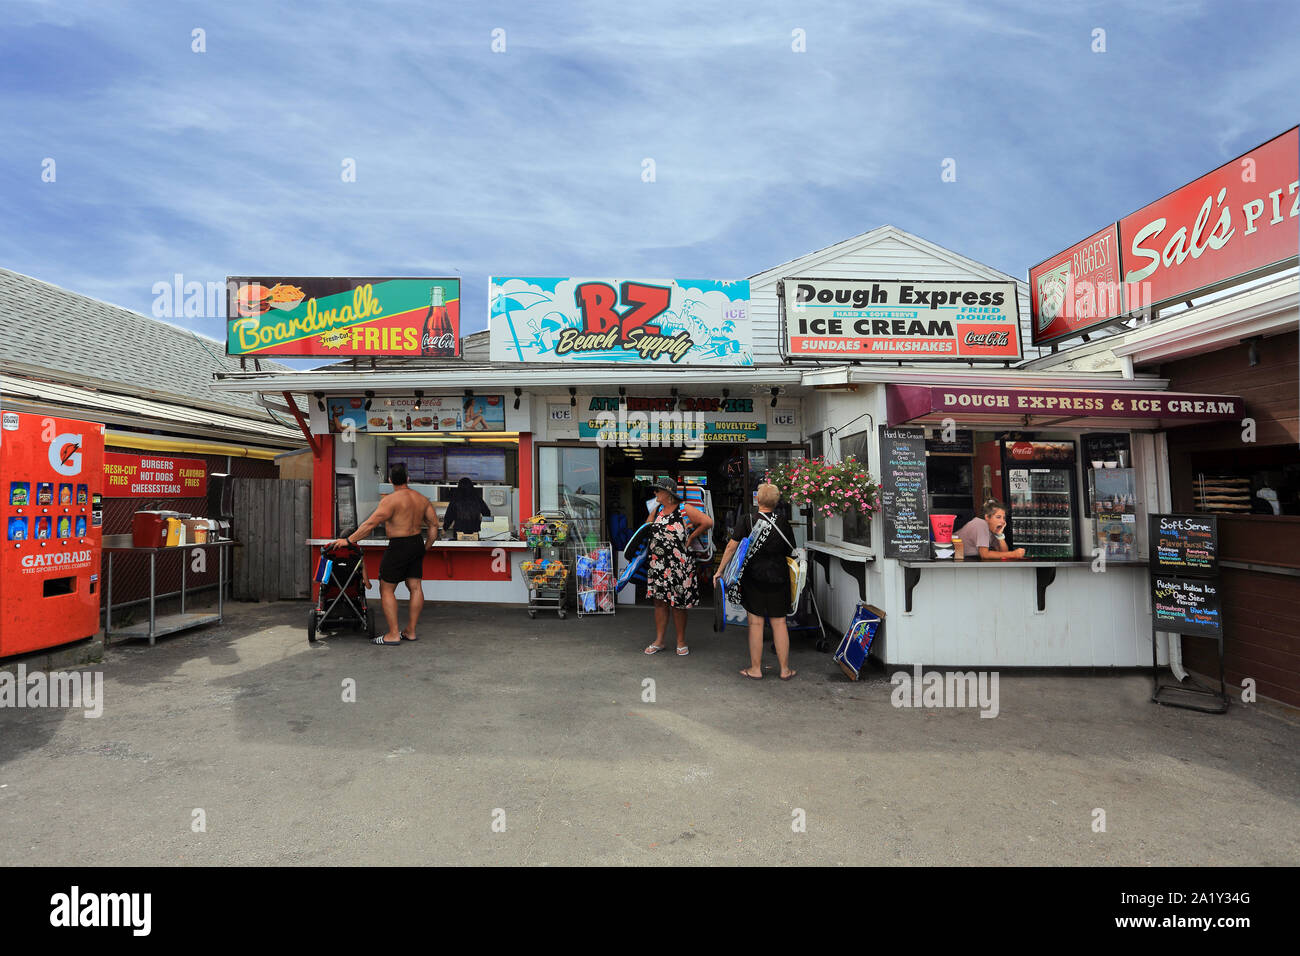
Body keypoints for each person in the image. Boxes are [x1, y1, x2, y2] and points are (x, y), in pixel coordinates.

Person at [332, 462, 439, 645]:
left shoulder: (390, 500)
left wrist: (348, 540)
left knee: (386, 588)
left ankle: (393, 634)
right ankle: (410, 631)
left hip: (398, 545)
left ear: (390, 480)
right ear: (408, 479)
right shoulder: (422, 499)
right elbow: (434, 526)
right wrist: (425, 547)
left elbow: (370, 524)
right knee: (415, 586)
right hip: (416, 543)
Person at [714, 483, 797, 680]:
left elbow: (731, 547)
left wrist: (719, 571)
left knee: (756, 623)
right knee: (779, 623)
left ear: (757, 500)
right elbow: (791, 550)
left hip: (753, 577)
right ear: (776, 502)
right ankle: (785, 670)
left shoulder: (747, 520)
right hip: (779, 577)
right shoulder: (783, 522)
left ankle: (755, 669)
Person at [643, 476, 713, 657]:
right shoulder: (657, 510)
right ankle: (659, 640)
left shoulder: (684, 509)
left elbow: (707, 522)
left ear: (668, 493)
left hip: (679, 565)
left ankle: (681, 641)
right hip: (658, 564)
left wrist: (692, 536)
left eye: (658, 490)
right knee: (659, 602)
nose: (655, 493)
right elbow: (646, 528)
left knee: (678, 604)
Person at [953, 499, 1025, 561]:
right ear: (987, 517)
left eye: (1004, 518)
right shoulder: (980, 524)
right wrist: (1013, 554)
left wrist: (1000, 535)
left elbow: (1003, 552)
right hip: (950, 558)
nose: (1003, 521)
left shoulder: (992, 529)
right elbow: (984, 555)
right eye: (998, 517)